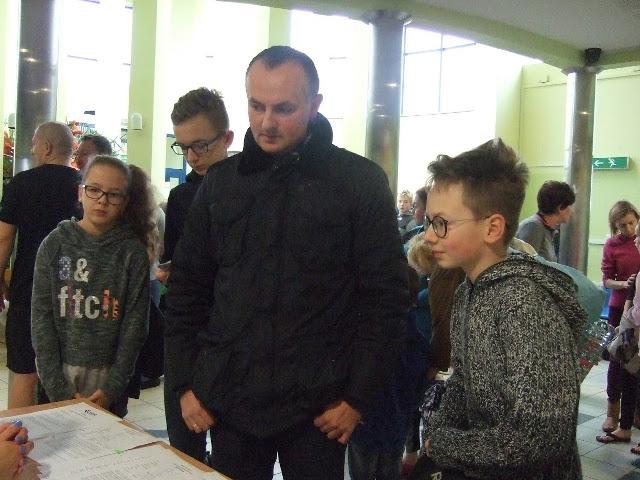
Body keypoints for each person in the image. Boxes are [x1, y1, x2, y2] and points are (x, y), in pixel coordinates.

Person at [164, 45, 408, 479]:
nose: (266, 122)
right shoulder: (220, 184)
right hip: (231, 402)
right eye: (256, 106)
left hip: (320, 409)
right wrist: (185, 383)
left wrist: (357, 398)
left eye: (284, 108)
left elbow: (386, 300)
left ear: (314, 104)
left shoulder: (359, 182)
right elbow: (187, 291)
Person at [422, 139, 584, 479]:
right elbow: (464, 379)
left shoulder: (525, 305)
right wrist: (440, 428)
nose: (429, 236)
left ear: (492, 228)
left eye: (442, 223)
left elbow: (539, 437)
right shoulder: (468, 291)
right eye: (429, 221)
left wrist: (446, 444)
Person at [31, 156, 154, 418]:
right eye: (94, 190)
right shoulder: (54, 245)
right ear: (80, 192)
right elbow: (41, 321)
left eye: (113, 194)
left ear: (125, 201)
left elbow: (134, 327)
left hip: (108, 385)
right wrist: (58, 390)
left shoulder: (132, 253)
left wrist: (112, 388)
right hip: (58, 379)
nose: (102, 200)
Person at [160, 87, 233, 462]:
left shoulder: (246, 192)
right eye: (183, 147)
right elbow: (176, 268)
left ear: (227, 138)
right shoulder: (181, 198)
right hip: (190, 336)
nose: (192, 156)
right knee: (183, 452)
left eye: (200, 146)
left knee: (231, 457)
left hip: (231, 343)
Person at [0, 121, 82, 408]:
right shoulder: (84, 186)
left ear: (47, 147)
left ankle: (17, 432)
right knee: (68, 374)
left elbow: (4, 238)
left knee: (24, 371)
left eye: (34, 144)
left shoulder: (21, 184)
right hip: (74, 293)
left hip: (29, 289)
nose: (32, 150)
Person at [597, 200, 640, 437]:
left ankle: (631, 417)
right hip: (619, 309)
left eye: (632, 223)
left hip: (637, 309)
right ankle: (612, 412)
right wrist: (625, 285)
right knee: (617, 360)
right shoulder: (612, 244)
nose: (629, 229)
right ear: (615, 225)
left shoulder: (639, 240)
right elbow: (606, 280)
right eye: (623, 225)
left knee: (634, 363)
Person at [516, 180, 575, 262]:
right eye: (570, 205)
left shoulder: (548, 229)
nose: (572, 211)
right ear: (560, 207)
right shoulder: (533, 227)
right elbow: (523, 265)